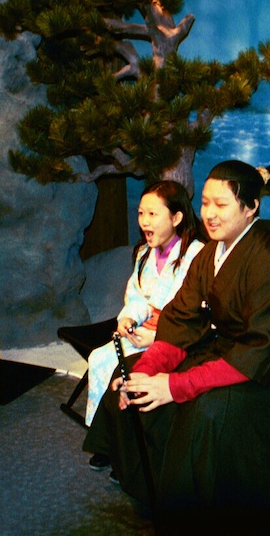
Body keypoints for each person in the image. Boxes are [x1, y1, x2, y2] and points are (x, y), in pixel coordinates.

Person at [83, 159, 270, 534]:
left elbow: (258, 351)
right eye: (205, 204)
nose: (210, 215)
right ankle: (158, 492)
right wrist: (148, 370)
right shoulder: (209, 256)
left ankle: (209, 516)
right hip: (233, 349)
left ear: (251, 208)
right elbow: (181, 322)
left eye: (222, 205)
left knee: (210, 408)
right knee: (130, 374)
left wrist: (175, 386)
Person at [85, 180, 205, 470]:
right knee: (99, 359)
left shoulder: (197, 255)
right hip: (142, 333)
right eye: (141, 214)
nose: (144, 222)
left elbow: (195, 315)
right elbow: (137, 296)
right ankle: (108, 439)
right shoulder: (144, 254)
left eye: (153, 214)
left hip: (174, 340)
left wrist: (155, 337)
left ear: (176, 218)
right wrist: (129, 318)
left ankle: (130, 448)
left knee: (126, 369)